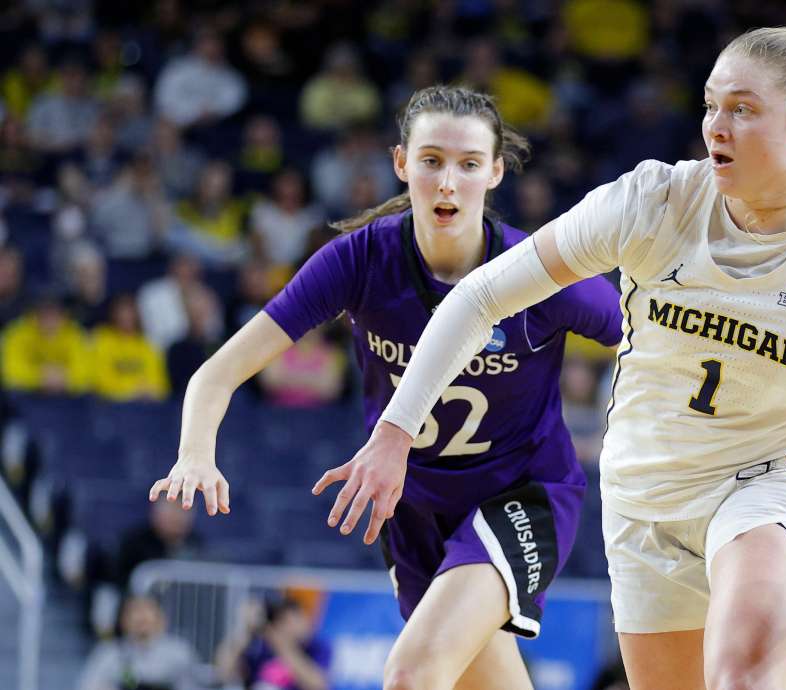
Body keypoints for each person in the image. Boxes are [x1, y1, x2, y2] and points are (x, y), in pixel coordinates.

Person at [344, 28, 786, 689]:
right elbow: (481, 296)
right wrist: (396, 429)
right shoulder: (653, 202)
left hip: (768, 484)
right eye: (712, 105)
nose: (717, 125)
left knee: (742, 676)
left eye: (743, 109)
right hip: (643, 498)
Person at [147, 85, 623, 690]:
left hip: (521, 494)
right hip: (411, 510)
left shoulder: (540, 271)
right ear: (401, 163)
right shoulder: (359, 261)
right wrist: (195, 453)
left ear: (496, 172)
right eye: (431, 161)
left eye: (469, 164)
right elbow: (216, 372)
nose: (448, 181)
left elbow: (651, 343)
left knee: (411, 674)